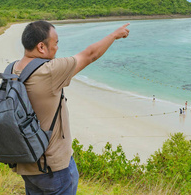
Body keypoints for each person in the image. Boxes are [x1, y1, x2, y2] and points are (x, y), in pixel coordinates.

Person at [12, 20, 130, 194]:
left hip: (26, 164)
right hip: (53, 167)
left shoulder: (13, 69)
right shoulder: (49, 71)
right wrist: (114, 35)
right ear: (41, 47)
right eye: (56, 43)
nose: (57, 48)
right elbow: (90, 55)